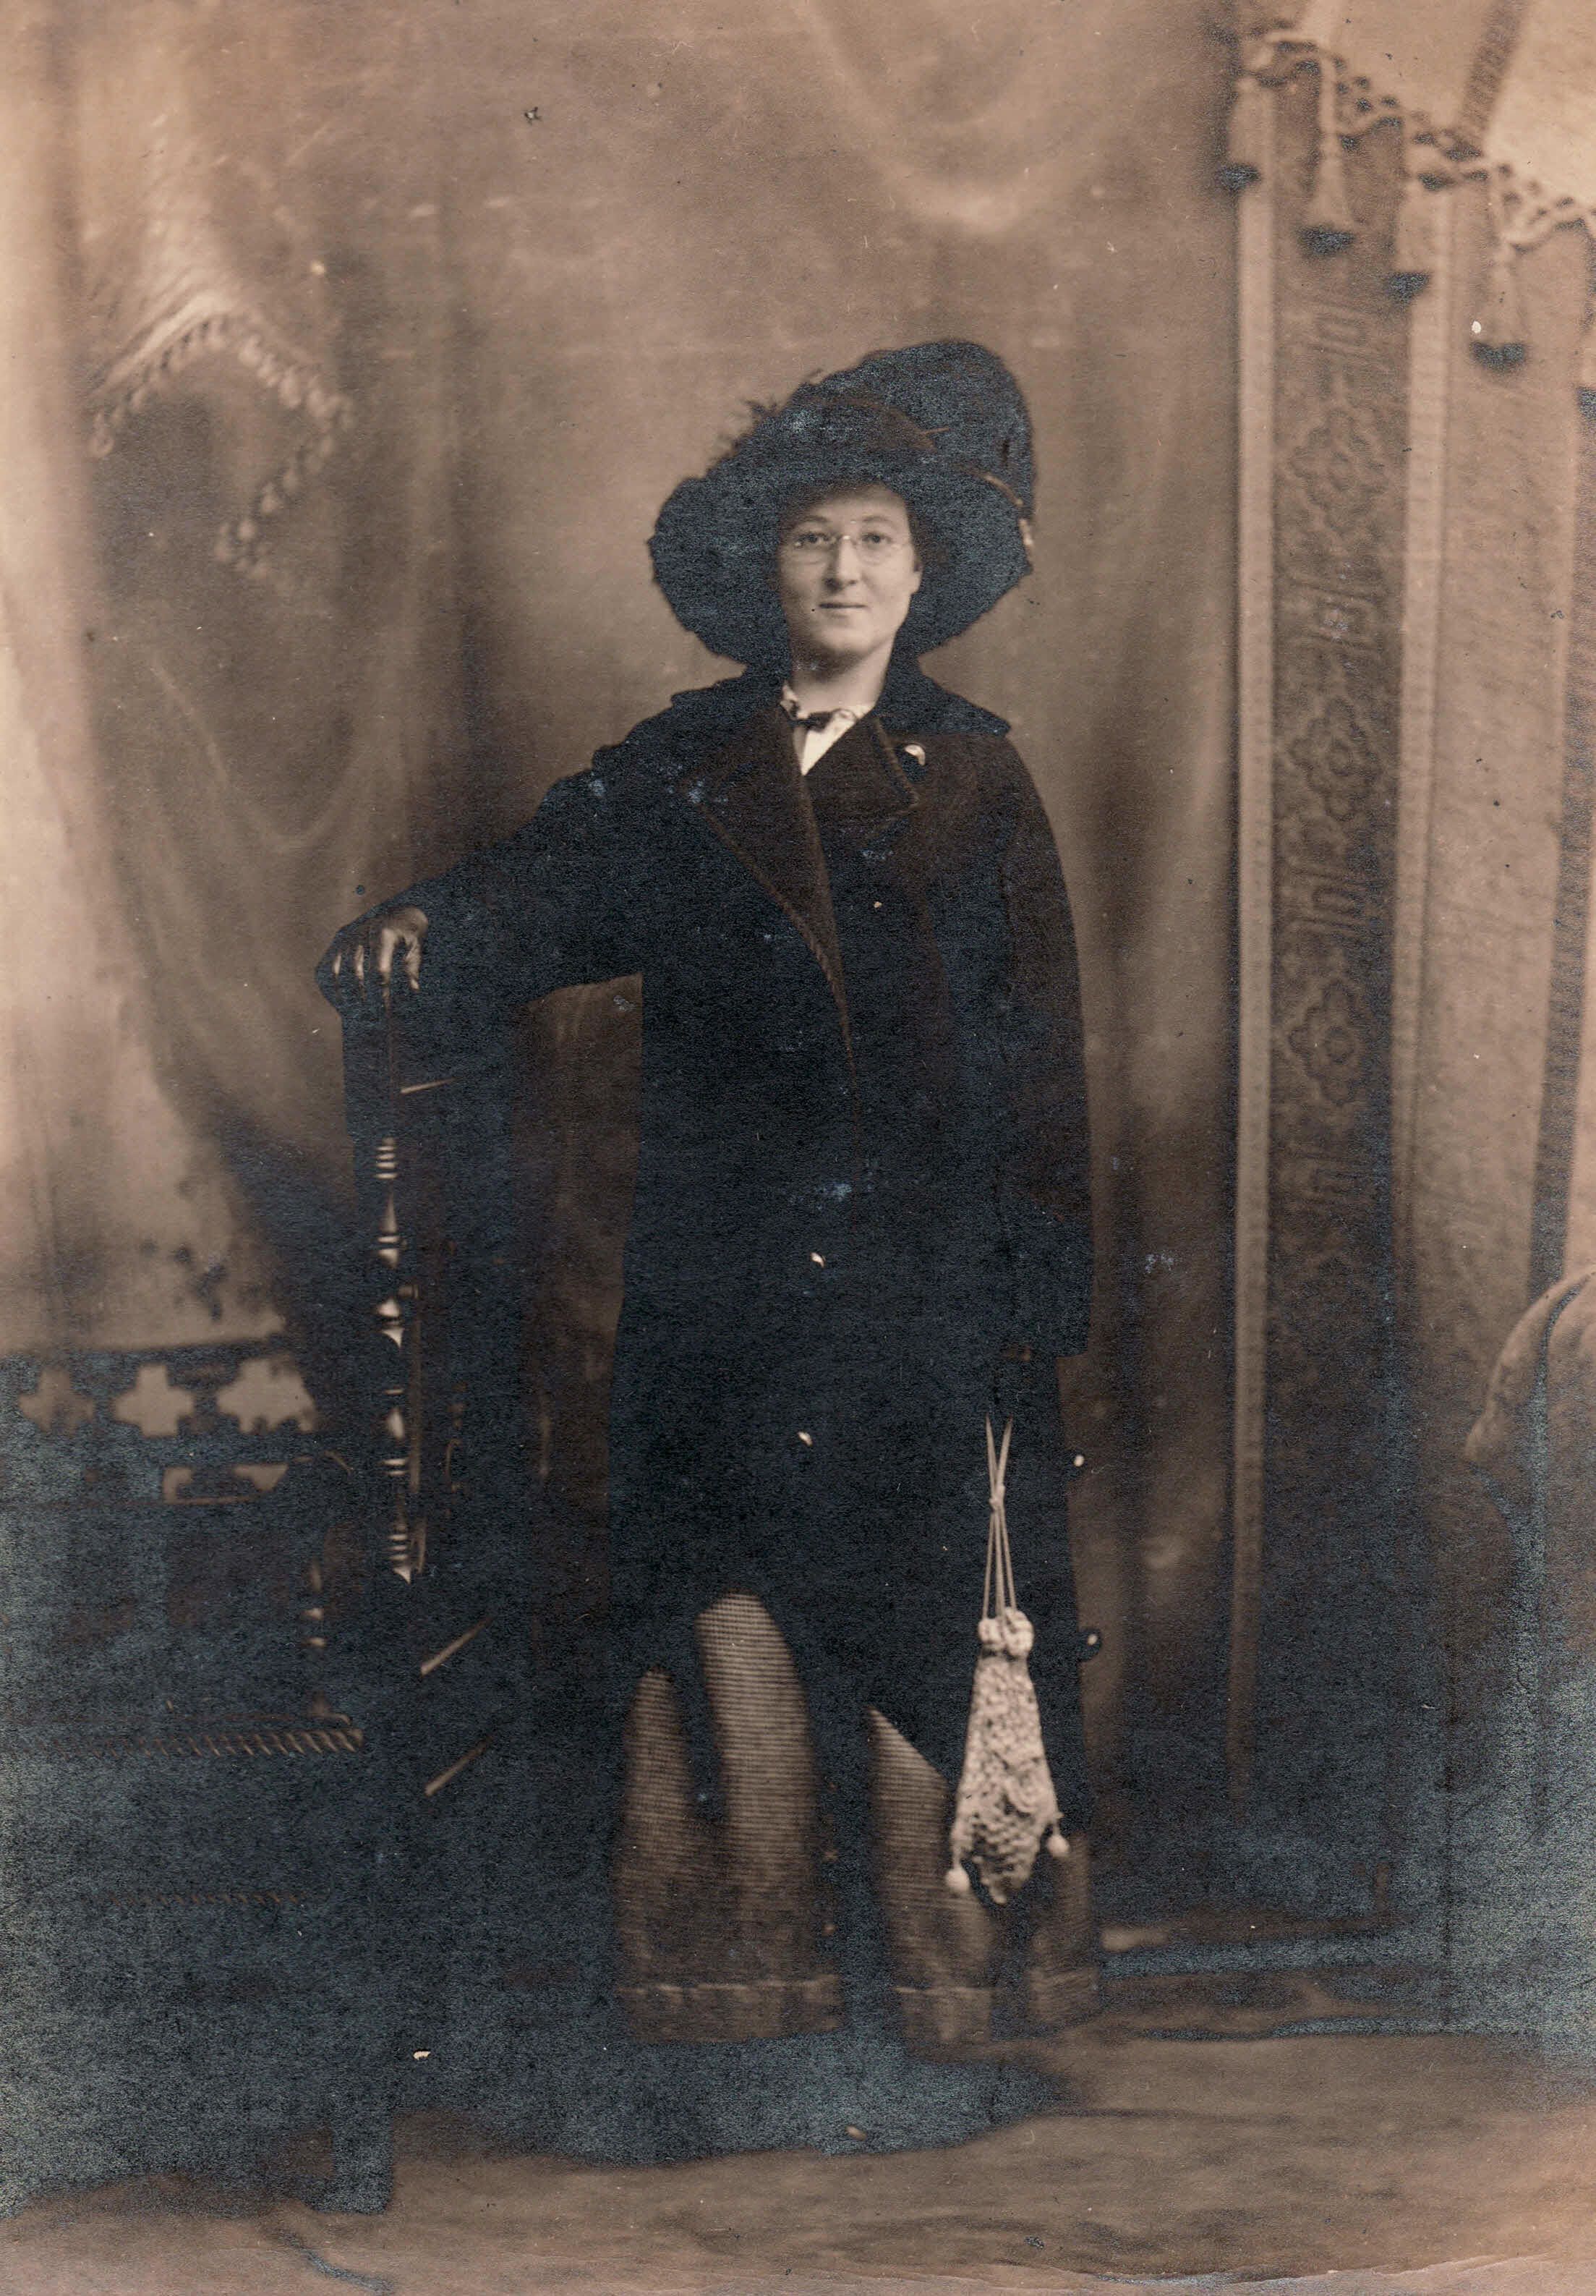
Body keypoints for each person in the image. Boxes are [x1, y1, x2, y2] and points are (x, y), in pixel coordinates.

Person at [320, 339, 1095, 2154]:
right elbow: (535, 885)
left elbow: (1041, 1065)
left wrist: (1025, 1303)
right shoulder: (687, 766)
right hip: (727, 1285)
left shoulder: (980, 781)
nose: (842, 572)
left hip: (917, 1292)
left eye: (876, 539)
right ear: (767, 567)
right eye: (812, 539)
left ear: (926, 569)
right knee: (727, 1623)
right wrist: (423, 925)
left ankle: (933, 2027)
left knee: (913, 1628)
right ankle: (739, 2023)